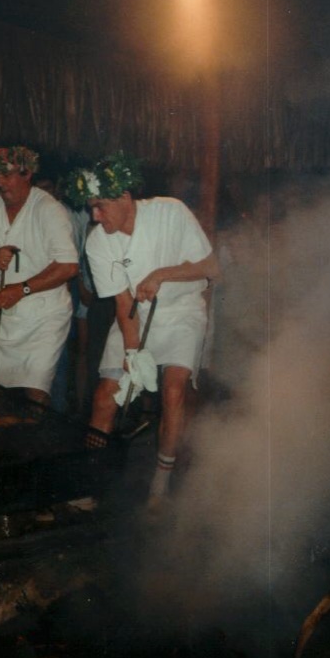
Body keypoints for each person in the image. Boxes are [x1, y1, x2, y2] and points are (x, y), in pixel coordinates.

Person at [66, 151, 220, 507]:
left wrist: (161, 274)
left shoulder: (171, 211)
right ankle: (90, 484)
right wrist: (133, 355)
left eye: (100, 206)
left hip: (182, 312)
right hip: (135, 315)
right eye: (91, 207)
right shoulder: (97, 241)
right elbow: (123, 304)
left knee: (173, 390)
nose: (94, 215)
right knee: (107, 394)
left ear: (124, 198)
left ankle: (160, 486)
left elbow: (212, 267)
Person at [0, 145, 79, 406]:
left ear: (27, 174)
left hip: (45, 316)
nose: (0, 183)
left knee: (35, 392)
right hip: (3, 313)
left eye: (6, 176)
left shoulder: (49, 209)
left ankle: (38, 442)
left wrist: (21, 289)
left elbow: (68, 266)